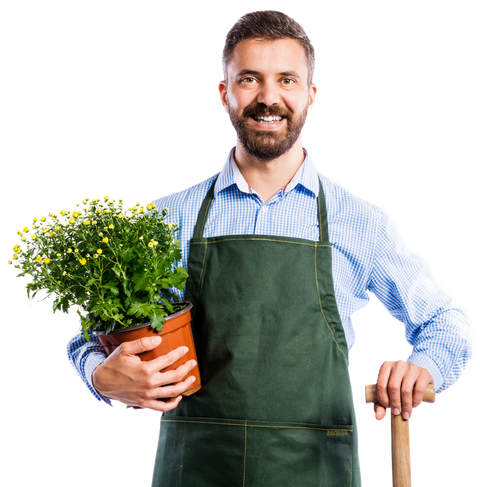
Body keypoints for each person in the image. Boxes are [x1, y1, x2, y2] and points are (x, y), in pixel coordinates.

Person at [66, 9, 476, 486]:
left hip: (316, 471)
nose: (268, 98)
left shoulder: (361, 220)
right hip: (195, 470)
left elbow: (450, 322)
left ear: (311, 95)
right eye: (249, 79)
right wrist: (100, 376)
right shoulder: (165, 220)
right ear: (224, 93)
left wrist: (420, 369)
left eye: (286, 80)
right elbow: (90, 337)